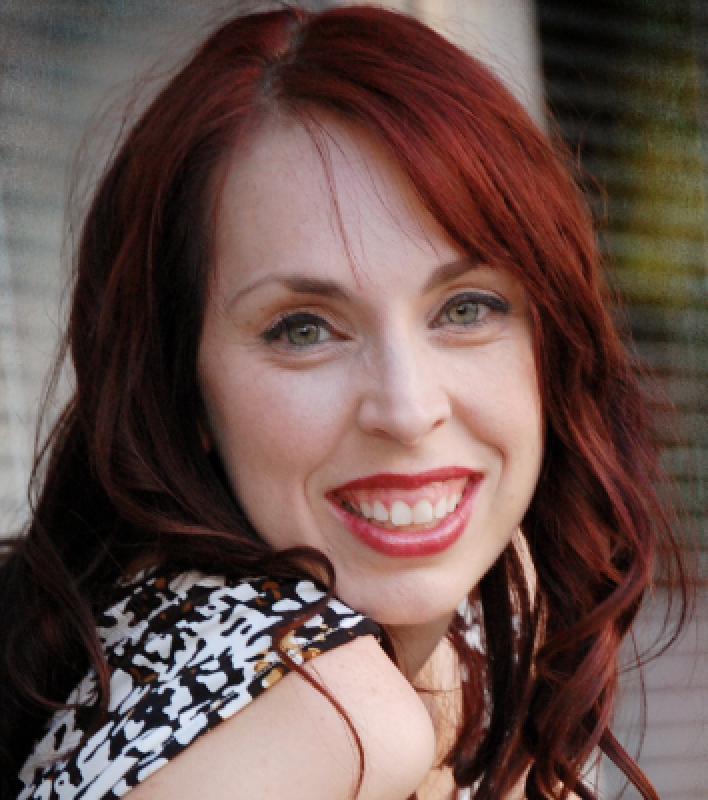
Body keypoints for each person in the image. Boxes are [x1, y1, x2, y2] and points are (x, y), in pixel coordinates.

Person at [0, 5, 689, 800]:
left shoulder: (486, 612)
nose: (407, 409)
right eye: (304, 329)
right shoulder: (328, 718)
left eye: (466, 308)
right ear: (181, 389)